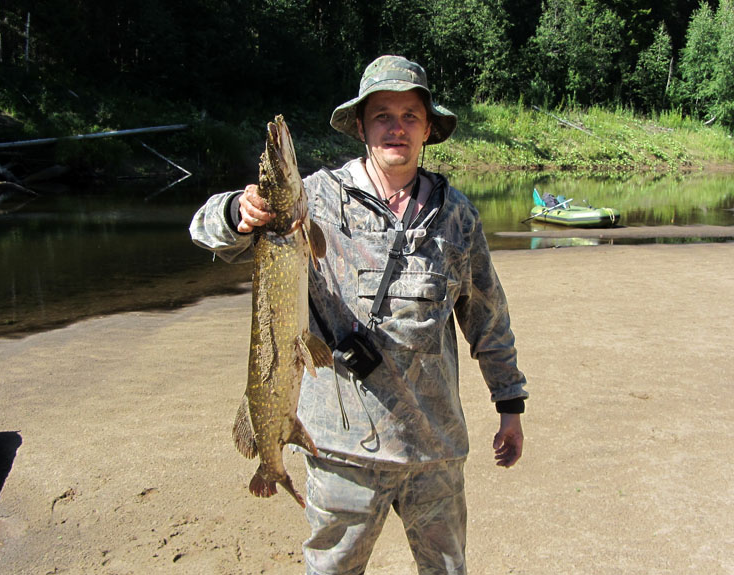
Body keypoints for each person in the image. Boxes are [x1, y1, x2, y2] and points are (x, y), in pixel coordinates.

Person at [189, 55, 528, 575]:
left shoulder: (458, 215)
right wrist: (238, 211)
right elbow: (204, 229)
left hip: (433, 450)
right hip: (340, 450)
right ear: (363, 127)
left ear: (428, 128)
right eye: (383, 115)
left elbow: (487, 317)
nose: (397, 127)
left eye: (410, 115)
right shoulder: (314, 200)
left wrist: (510, 404)